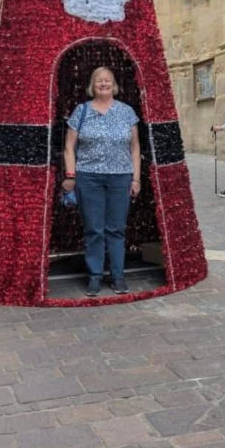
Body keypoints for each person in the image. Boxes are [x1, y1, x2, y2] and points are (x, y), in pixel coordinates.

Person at [63, 66, 141, 297]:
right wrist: (70, 175)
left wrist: (136, 178)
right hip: (89, 177)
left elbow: (135, 147)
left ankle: (118, 276)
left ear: (114, 85)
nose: (103, 84)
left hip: (120, 176)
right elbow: (69, 147)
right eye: (99, 80)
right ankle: (95, 276)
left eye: (107, 80)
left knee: (116, 229)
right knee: (94, 229)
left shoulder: (126, 111)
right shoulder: (82, 111)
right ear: (92, 85)